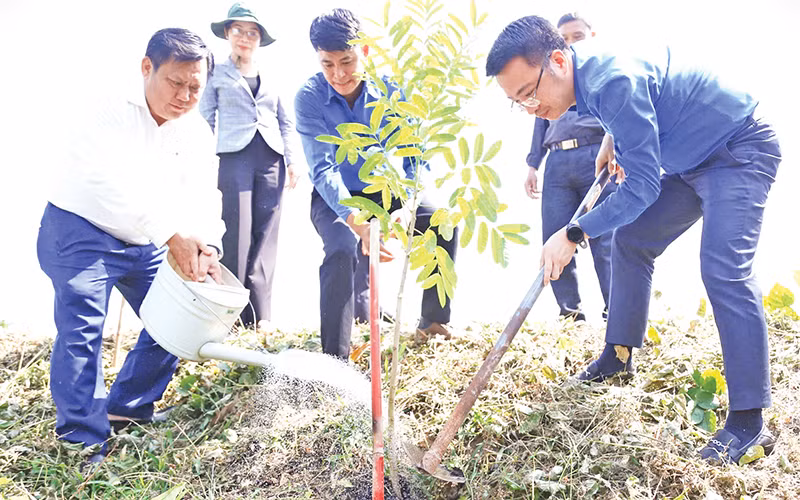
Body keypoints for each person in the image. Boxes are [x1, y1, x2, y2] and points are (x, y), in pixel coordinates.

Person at [486, 16, 781, 464]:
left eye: (529, 92)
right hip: (690, 161)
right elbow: (635, 107)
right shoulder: (587, 78)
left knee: (723, 269)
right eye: (517, 102)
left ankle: (749, 422)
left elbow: (641, 186)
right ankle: (618, 355)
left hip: (737, 150)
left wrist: (573, 232)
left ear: (559, 60)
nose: (531, 108)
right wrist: (611, 138)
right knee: (632, 240)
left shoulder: (609, 79)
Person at [37, 28, 224, 464]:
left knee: (180, 316)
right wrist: (172, 236)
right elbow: (106, 183)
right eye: (175, 83)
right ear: (147, 68)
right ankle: (82, 437)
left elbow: (203, 195)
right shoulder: (108, 109)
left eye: (195, 87)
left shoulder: (195, 132)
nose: (184, 96)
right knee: (83, 329)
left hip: (147, 237)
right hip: (80, 229)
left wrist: (207, 243)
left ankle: (128, 407)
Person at [294, 8, 458, 359]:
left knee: (442, 223)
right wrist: (358, 223)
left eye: (346, 61)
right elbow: (323, 169)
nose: (338, 74)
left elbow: (417, 157)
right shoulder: (308, 98)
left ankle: (434, 323)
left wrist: (409, 206)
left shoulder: (392, 91)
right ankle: (334, 358)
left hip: (387, 188)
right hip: (336, 195)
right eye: (327, 64)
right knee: (339, 248)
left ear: (365, 52)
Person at [200, 3, 299, 329]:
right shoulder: (216, 72)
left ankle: (261, 316)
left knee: (266, 235)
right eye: (239, 30)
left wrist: (292, 160)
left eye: (252, 32)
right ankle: (230, 312)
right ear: (228, 33)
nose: (245, 37)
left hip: (270, 158)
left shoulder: (273, 75)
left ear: (260, 39)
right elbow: (205, 117)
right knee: (236, 233)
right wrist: (201, 158)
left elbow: (284, 121)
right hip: (234, 158)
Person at [524, 12, 615, 321]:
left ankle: (615, 312)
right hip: (558, 163)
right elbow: (540, 120)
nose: (571, 43)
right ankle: (570, 315)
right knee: (555, 235)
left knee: (605, 236)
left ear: (592, 36)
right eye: (564, 39)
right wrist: (533, 164)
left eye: (578, 36)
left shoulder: (601, 72)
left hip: (596, 156)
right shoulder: (549, 78)